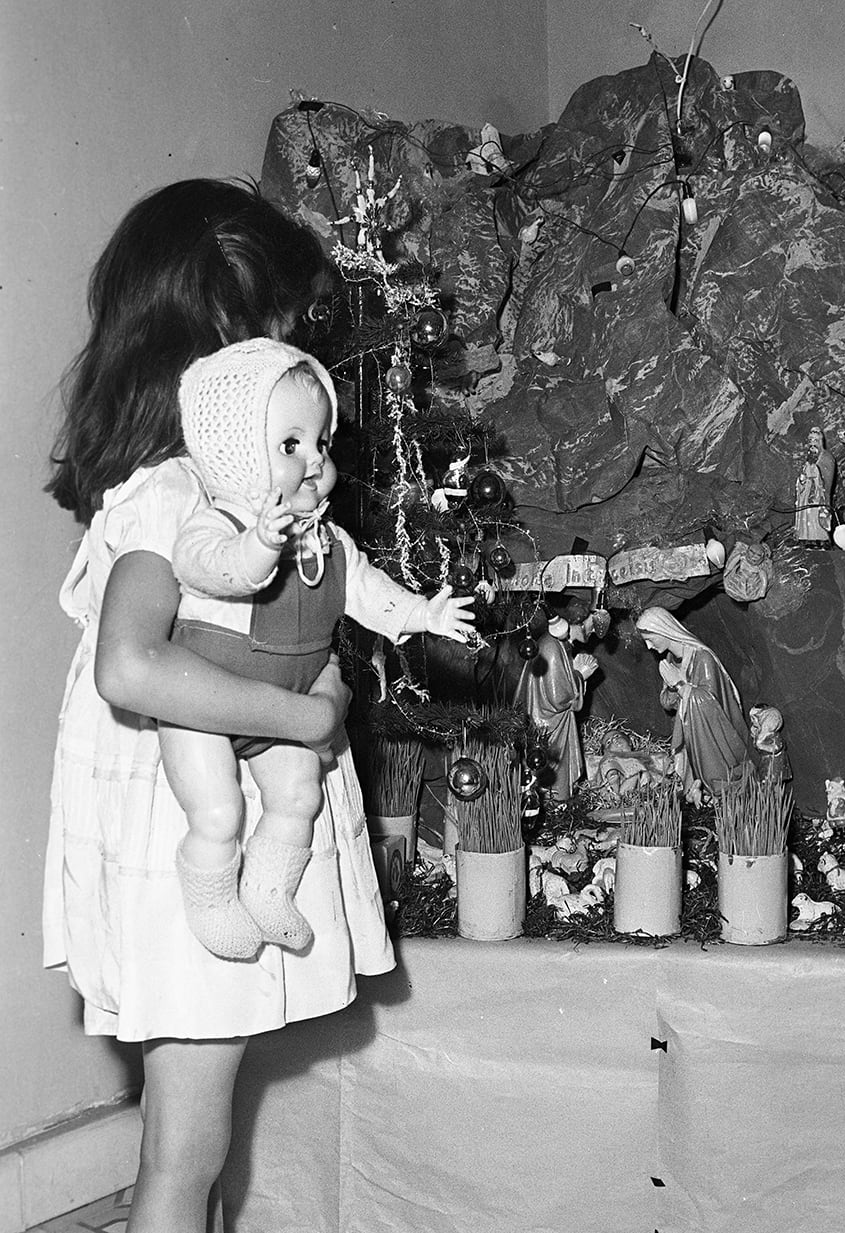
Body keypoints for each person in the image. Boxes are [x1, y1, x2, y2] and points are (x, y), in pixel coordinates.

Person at [43, 178, 387, 1233]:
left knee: (198, 1138)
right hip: (192, 825)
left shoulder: (225, 498)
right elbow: (131, 669)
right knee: (185, 1152)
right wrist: (307, 722)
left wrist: (319, 670)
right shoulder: (169, 498)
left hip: (218, 803)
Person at [164, 338, 474, 959]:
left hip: (282, 710)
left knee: (300, 792)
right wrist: (259, 544)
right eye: (289, 445)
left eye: (321, 444)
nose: (313, 460)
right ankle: (212, 900)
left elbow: (366, 590)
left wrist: (422, 612)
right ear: (233, 454)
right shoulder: (219, 523)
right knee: (218, 812)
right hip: (203, 707)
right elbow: (208, 568)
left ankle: (268, 890)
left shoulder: (329, 541)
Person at [635, 606, 752, 804]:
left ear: (664, 630)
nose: (648, 646)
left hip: (714, 738)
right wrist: (672, 689)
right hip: (692, 732)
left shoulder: (703, 659)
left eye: (650, 638)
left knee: (717, 776)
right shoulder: (671, 659)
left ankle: (719, 795)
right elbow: (669, 703)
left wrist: (679, 684)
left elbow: (709, 702)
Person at [514, 615, 598, 799]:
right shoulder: (551, 647)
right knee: (552, 767)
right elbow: (558, 697)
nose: (592, 631)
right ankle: (554, 804)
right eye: (590, 624)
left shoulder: (558, 644)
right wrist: (580, 675)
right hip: (548, 725)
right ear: (575, 623)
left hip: (550, 721)